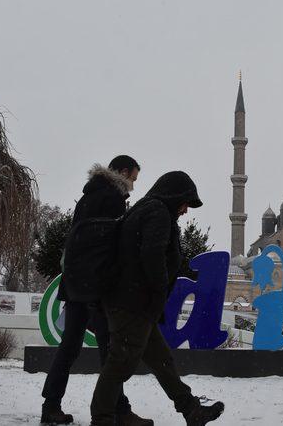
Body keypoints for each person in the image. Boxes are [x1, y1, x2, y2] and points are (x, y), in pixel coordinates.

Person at [90, 171, 224, 426]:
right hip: (133, 303)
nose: (185, 210)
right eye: (185, 203)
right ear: (174, 196)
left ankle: (191, 410)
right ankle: (102, 419)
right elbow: (152, 256)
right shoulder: (158, 213)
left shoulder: (146, 209)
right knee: (120, 363)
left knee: (162, 360)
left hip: (134, 302)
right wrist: (159, 292)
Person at [41, 155, 151, 426]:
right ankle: (118, 410)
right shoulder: (113, 198)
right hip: (96, 287)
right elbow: (111, 245)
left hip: (76, 283)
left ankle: (51, 405)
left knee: (69, 347)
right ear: (123, 172)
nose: (133, 186)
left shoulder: (88, 196)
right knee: (110, 349)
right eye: (133, 179)